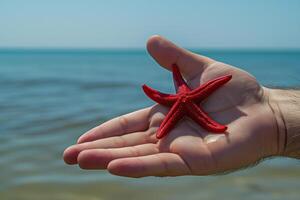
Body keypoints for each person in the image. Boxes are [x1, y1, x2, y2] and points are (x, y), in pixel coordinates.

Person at [63, 35, 300, 177]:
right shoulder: (180, 100)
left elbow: (190, 95)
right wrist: (276, 118)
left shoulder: (187, 99)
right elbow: (166, 95)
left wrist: (276, 118)